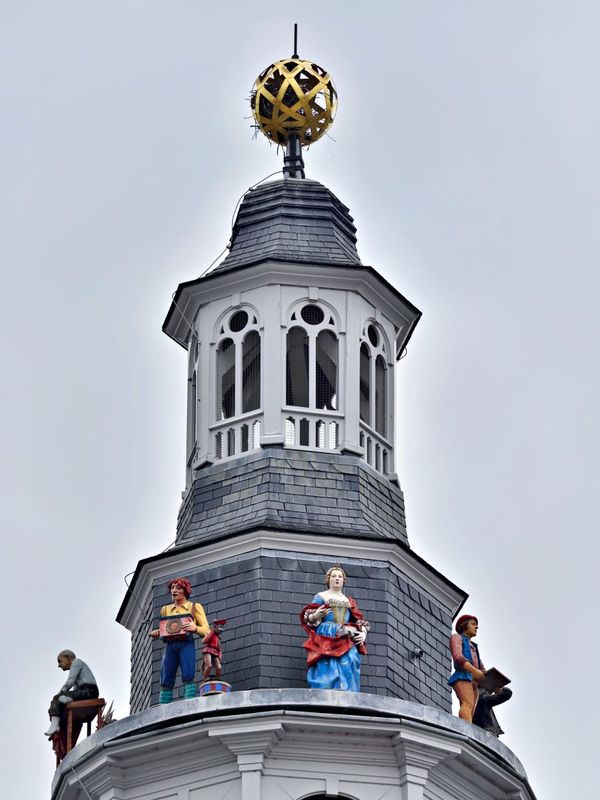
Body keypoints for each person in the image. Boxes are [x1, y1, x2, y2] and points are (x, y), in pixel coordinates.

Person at [300, 565, 368, 692]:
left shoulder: (349, 601)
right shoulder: (321, 596)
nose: (337, 578)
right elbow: (308, 616)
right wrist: (316, 615)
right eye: (334, 576)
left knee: (350, 658)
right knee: (327, 661)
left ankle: (347, 690)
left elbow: (360, 620)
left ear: (343, 580)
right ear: (328, 580)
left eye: (340, 576)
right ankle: (327, 689)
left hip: (344, 635)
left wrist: (363, 633)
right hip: (326, 634)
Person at [149, 577, 210, 703]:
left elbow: (207, 631)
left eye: (178, 588)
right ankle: (163, 709)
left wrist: (195, 628)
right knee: (166, 676)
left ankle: (190, 704)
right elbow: (166, 628)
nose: (174, 590)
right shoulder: (165, 609)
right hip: (170, 645)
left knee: (188, 674)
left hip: (186, 644)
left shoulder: (194, 607)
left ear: (185, 590)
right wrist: (158, 632)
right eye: (172, 588)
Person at [45, 650, 99, 737]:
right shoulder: (76, 666)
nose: (59, 665)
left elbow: (70, 682)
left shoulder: (76, 662)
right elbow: (75, 689)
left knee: (57, 698)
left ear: (67, 657)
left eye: (60, 661)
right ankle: (57, 723)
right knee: (61, 700)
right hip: (84, 692)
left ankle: (54, 725)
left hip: (89, 691)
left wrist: (60, 694)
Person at [448, 614, 486, 722]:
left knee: (472, 710)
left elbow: (481, 668)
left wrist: (494, 684)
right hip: (463, 676)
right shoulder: (457, 637)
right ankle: (466, 729)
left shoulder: (473, 646)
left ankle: (467, 727)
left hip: (474, 681)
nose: (476, 627)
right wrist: (474, 671)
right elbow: (458, 657)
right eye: (473, 624)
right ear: (464, 625)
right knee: (467, 704)